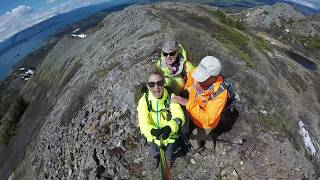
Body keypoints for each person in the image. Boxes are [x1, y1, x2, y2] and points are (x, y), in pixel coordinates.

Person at [172, 56, 229, 153]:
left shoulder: (220, 93)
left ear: (214, 77)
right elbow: (188, 86)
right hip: (191, 110)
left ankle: (204, 141)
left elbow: (208, 119)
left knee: (193, 142)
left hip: (205, 124)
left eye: (203, 78)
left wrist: (187, 103)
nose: (199, 80)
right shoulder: (196, 72)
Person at [137, 69, 185, 168]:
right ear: (147, 85)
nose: (156, 87)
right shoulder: (144, 101)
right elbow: (143, 122)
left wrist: (169, 128)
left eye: (160, 83)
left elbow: (179, 116)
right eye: (152, 84)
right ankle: (156, 158)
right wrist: (152, 131)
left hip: (170, 136)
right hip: (153, 137)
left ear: (164, 83)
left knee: (169, 153)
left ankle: (169, 160)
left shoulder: (171, 97)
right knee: (154, 150)